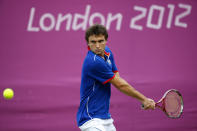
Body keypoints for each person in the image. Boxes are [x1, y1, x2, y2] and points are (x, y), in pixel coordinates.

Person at [76, 24, 155, 131]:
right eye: (93, 42)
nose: (98, 45)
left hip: (105, 119)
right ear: (88, 43)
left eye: (100, 41)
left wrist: (144, 100)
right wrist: (144, 99)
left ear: (106, 40)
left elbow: (117, 77)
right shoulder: (93, 62)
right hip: (91, 120)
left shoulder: (107, 52)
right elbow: (120, 84)